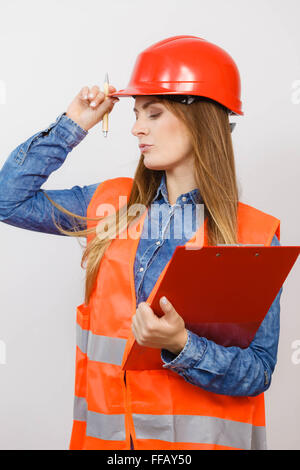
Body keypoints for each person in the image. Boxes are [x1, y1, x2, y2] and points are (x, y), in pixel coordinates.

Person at [0, 35, 282, 451]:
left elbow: (257, 372)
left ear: (200, 120)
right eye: (135, 113)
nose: (136, 128)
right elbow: (9, 199)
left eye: (153, 112)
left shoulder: (254, 234)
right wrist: (74, 122)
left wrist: (180, 345)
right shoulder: (109, 205)